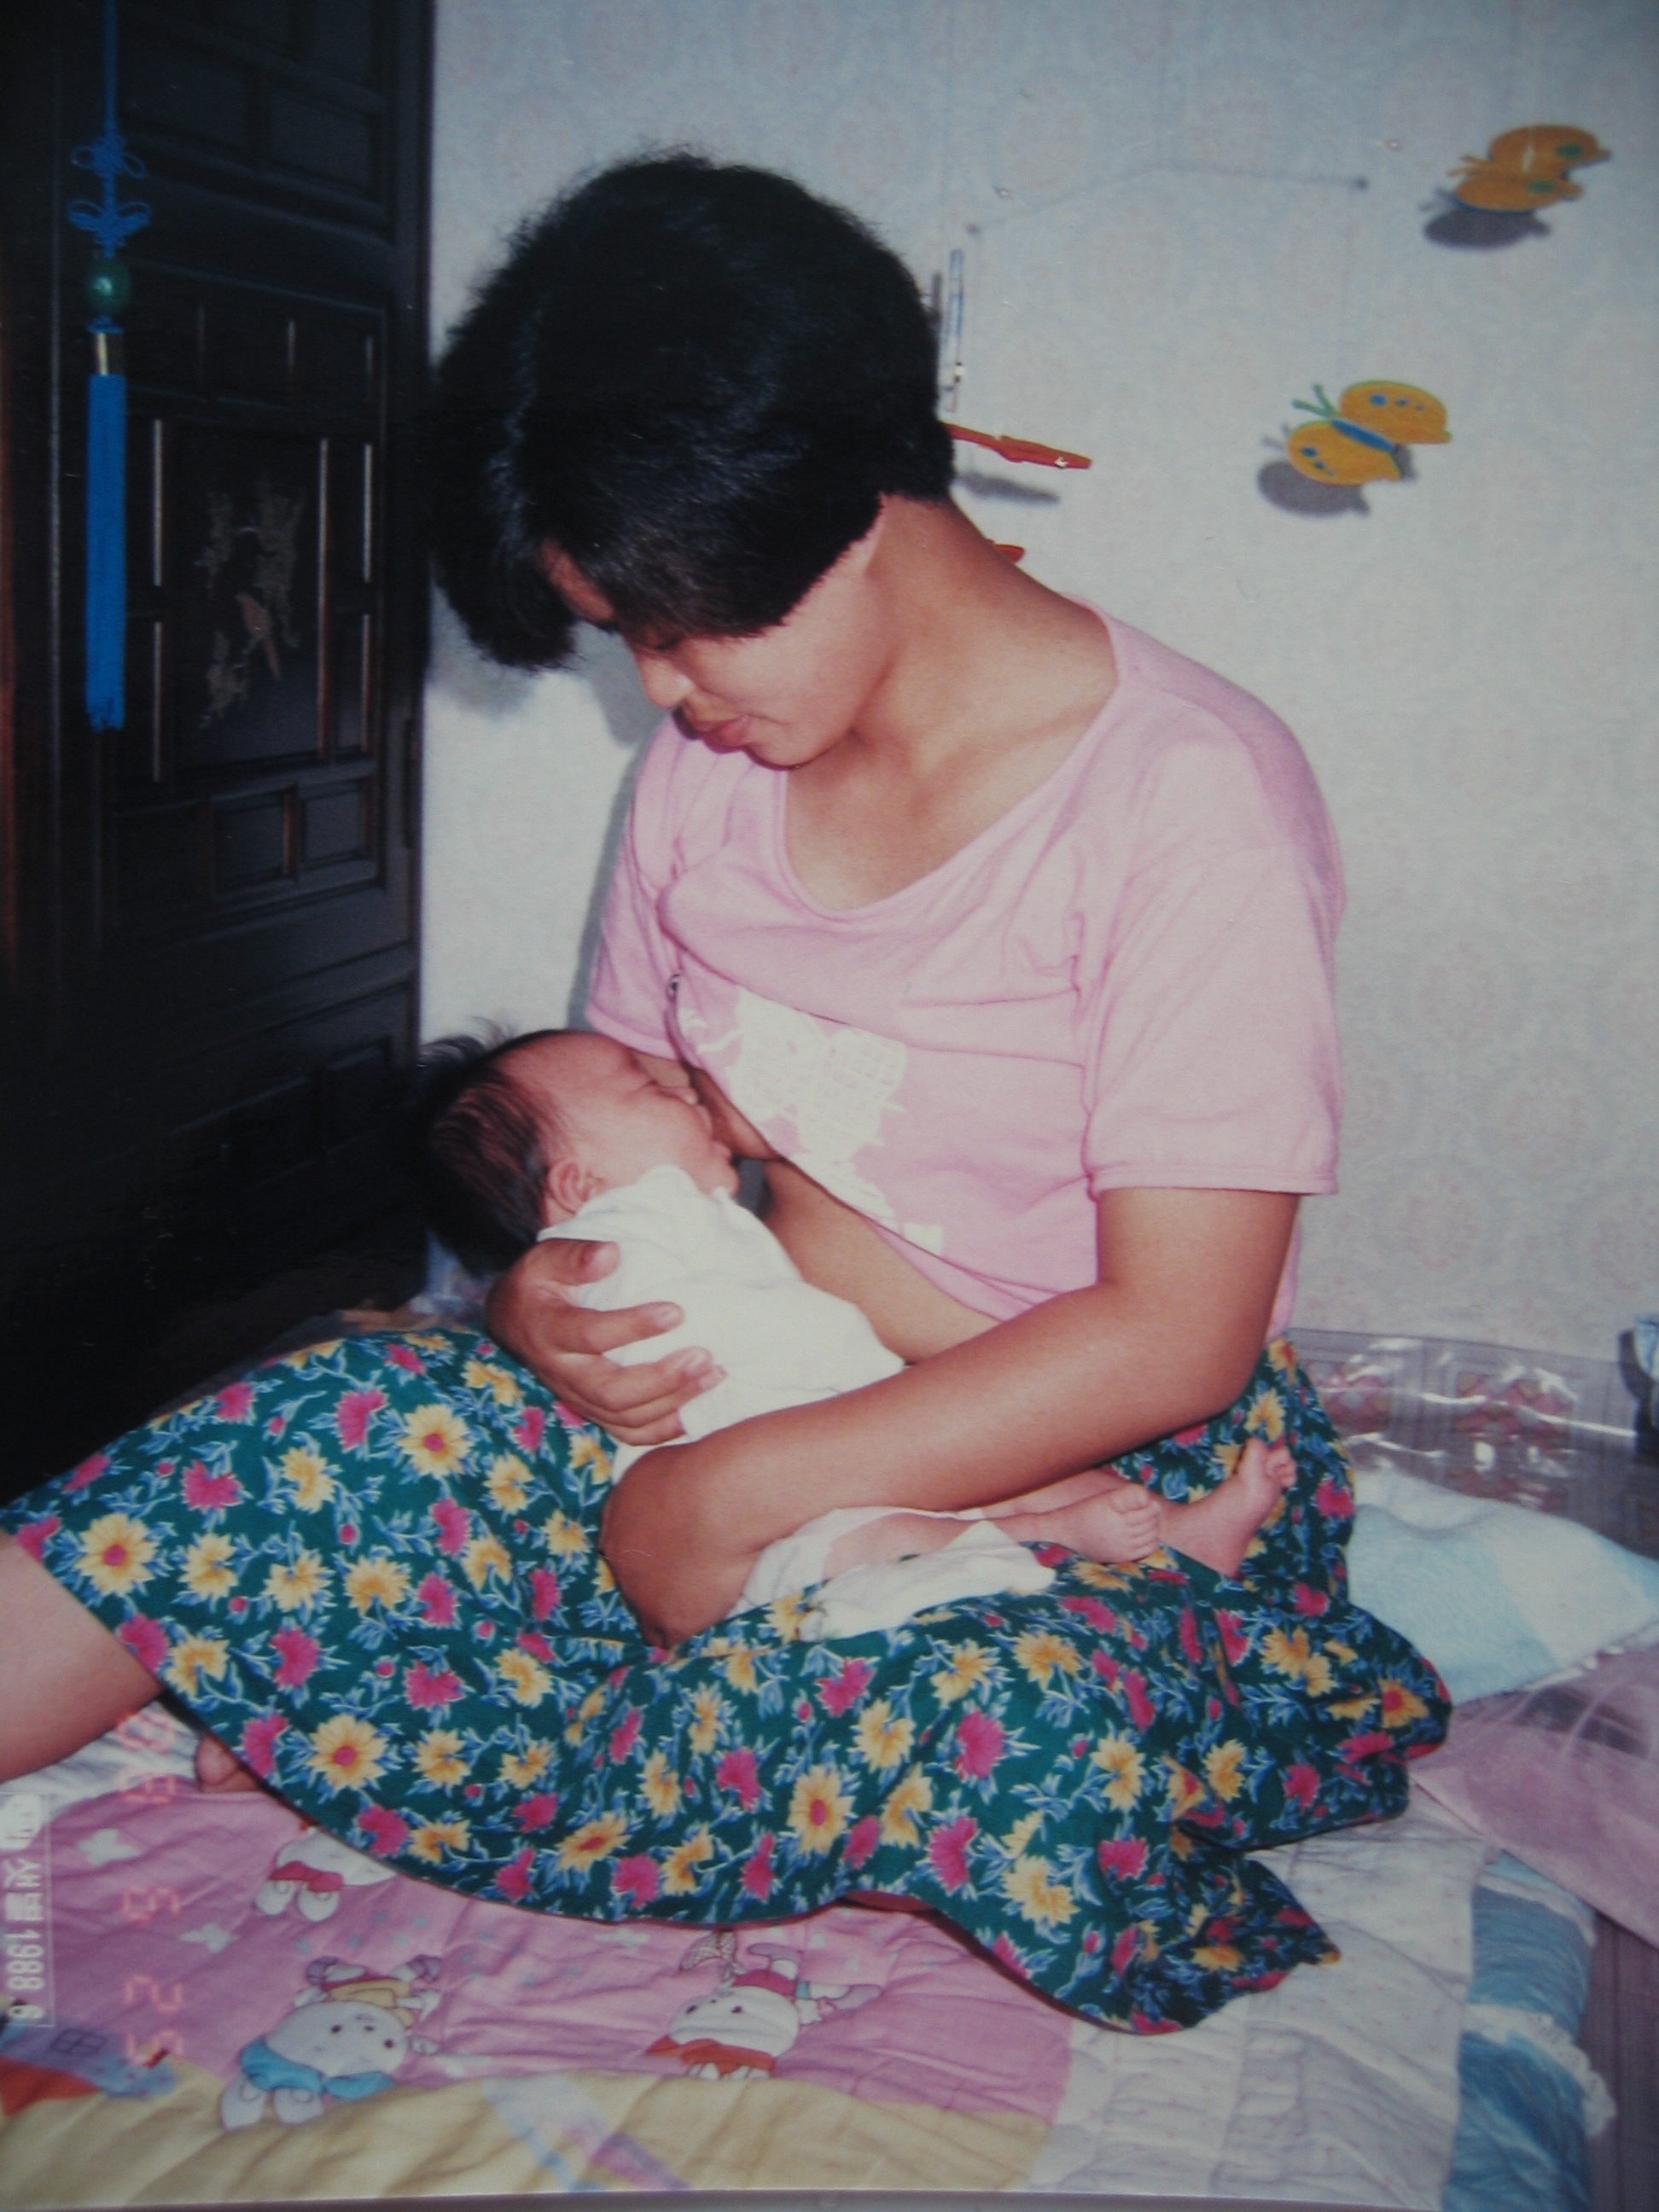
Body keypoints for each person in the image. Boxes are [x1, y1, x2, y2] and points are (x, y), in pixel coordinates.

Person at [0, 153, 1447, 2035]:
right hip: (721, 1405)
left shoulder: (1186, 798)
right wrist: (537, 1310)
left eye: (674, 628)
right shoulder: (712, 773)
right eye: (624, 638)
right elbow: (618, 1143)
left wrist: (714, 1504)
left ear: (846, 510)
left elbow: (1178, 1338)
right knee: (287, 1441)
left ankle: (445, 1725)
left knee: (1000, 1716)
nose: (659, 692)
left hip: (1076, 1473)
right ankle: (515, 1708)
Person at [410, 1022, 1300, 1638]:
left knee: (1022, 1473)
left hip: (833, 1419)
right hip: (771, 1485)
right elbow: (625, 1311)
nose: (685, 1088)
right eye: (649, 1088)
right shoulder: (626, 1230)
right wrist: (512, 1299)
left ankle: (1169, 1533)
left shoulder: (677, 1215)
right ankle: (1062, 1539)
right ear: (577, 1185)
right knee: (879, 1543)